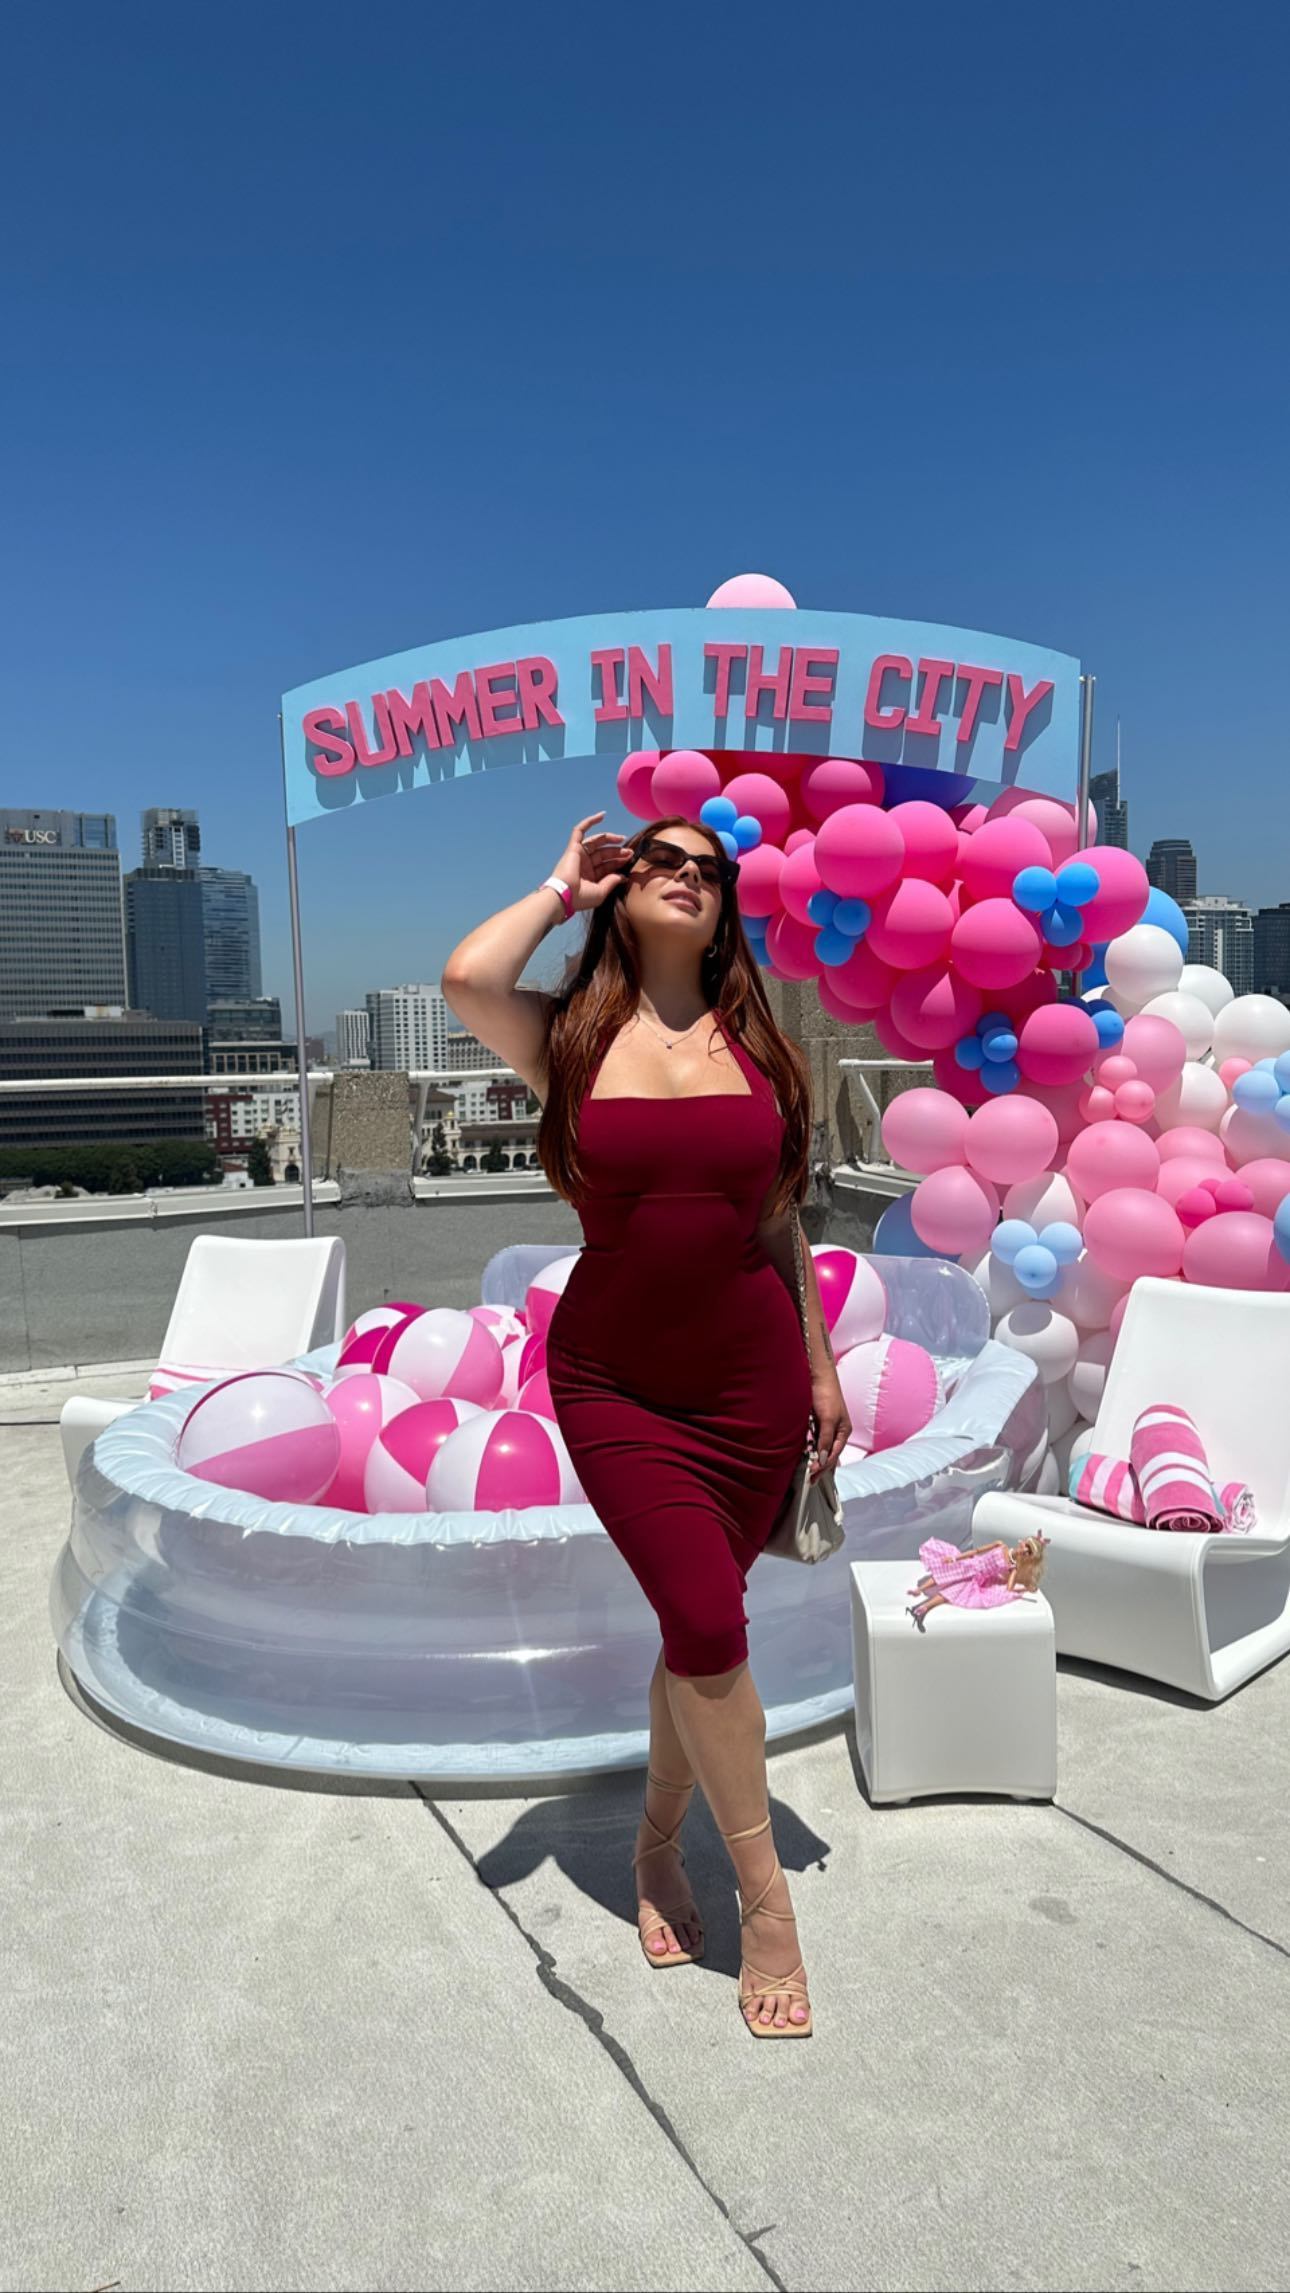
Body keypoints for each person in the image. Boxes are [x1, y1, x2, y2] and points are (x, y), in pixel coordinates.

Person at [444, 811, 851, 2038]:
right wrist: (561, 884)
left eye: (707, 870)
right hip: (617, 1384)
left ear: (726, 908)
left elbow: (780, 1224)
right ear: (624, 892)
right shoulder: (568, 1039)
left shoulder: (762, 1049)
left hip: (750, 1382)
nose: (685, 877)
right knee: (710, 1626)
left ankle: (658, 1843)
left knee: (696, 1626)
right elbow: (468, 976)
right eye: (659, 861)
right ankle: (767, 1903)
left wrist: (819, 1367)